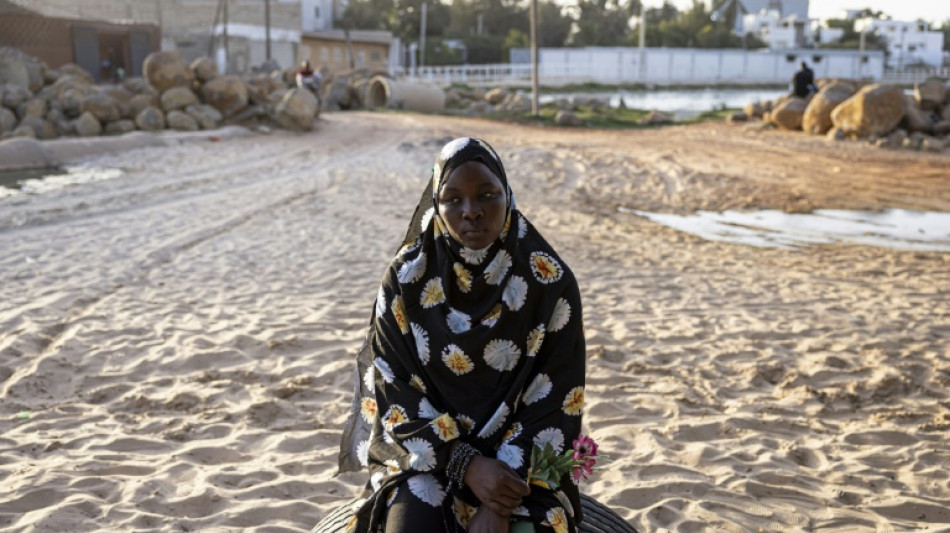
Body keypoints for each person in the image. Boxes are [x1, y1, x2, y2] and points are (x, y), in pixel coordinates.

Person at [335, 137, 587, 533]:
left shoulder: (549, 282)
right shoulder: (405, 281)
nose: (471, 211)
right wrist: (465, 464)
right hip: (427, 461)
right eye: (453, 199)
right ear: (436, 204)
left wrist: (499, 500)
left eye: (487, 195)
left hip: (521, 471)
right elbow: (395, 390)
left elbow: (555, 402)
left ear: (508, 194)